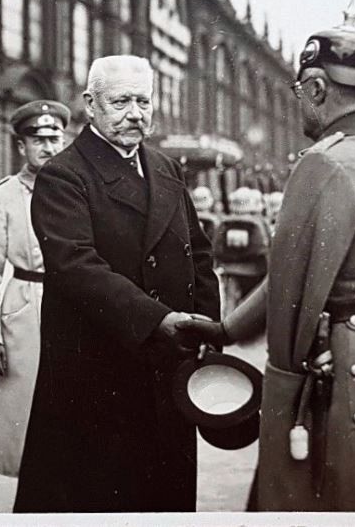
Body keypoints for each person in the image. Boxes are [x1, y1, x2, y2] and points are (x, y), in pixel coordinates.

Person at [179, 15, 355, 511]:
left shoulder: (326, 163)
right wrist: (229, 329)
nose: (300, 99)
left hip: (345, 378)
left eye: (301, 89)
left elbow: (292, 295)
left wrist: (278, 408)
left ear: (318, 88)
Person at [13, 55, 220, 513]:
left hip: (169, 365)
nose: (135, 113)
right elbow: (76, 266)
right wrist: (156, 319)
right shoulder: (65, 174)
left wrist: (209, 331)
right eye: (121, 101)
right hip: (98, 374)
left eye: (143, 101)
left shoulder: (166, 167)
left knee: (162, 494)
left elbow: (199, 255)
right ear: (91, 104)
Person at [0, 99, 70, 478]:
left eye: (55, 137)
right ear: (21, 147)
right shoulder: (5, 196)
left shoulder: (80, 189)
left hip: (75, 306)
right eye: (38, 139)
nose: (48, 147)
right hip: (24, 312)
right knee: (25, 419)